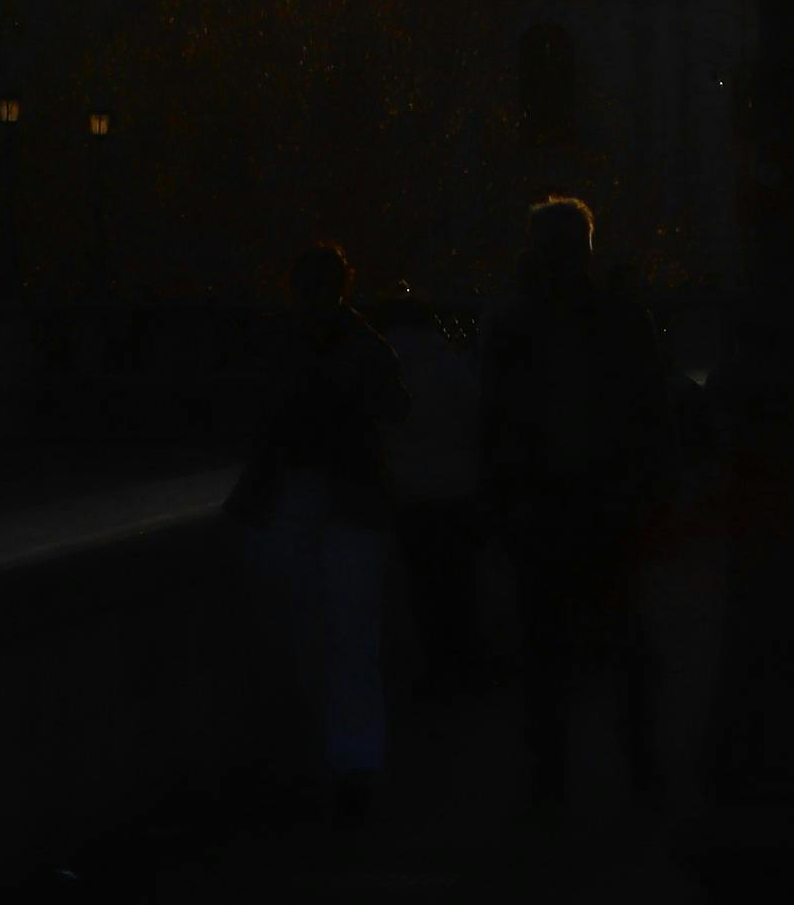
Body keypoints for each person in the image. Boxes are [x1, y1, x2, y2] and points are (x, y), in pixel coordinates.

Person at [482, 195, 671, 811]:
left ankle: (551, 780)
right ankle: (637, 769)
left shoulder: (513, 324)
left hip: (546, 505)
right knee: (621, 644)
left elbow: (494, 424)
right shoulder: (621, 319)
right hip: (604, 501)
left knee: (547, 651)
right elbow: (653, 412)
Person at [232, 241, 408, 823]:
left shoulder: (276, 346)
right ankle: (351, 764)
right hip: (351, 500)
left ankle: (310, 761)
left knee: (299, 632)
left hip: (296, 496)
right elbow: (394, 409)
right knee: (351, 639)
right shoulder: (364, 347)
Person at [370, 292, 490, 696]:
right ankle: (465, 661)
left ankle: (437, 665)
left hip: (408, 492)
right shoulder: (450, 366)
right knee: (459, 580)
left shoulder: (383, 368)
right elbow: (476, 419)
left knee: (423, 584)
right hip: (457, 487)